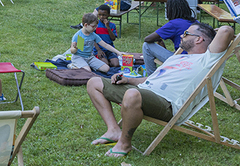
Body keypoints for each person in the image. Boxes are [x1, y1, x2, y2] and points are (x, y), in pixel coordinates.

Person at [87, 22, 231, 157]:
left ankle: (124, 144)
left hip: (167, 105)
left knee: (132, 94)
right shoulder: (177, 58)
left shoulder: (207, 60)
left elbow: (226, 30)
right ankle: (113, 130)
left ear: (199, 39)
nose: (181, 35)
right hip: (143, 91)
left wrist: (213, 32)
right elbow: (151, 79)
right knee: (94, 82)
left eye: (186, 33)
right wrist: (128, 80)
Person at [142, 0, 198, 75]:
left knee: (147, 46)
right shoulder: (196, 22)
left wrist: (158, 38)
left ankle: (151, 77)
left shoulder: (174, 23)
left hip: (182, 63)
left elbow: (147, 39)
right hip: (197, 62)